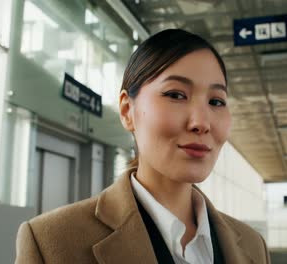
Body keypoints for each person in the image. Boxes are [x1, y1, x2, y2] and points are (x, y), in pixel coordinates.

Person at [15, 29, 270, 264]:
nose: (201, 123)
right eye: (176, 95)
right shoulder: (52, 243)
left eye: (216, 101)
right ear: (127, 110)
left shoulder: (252, 245)